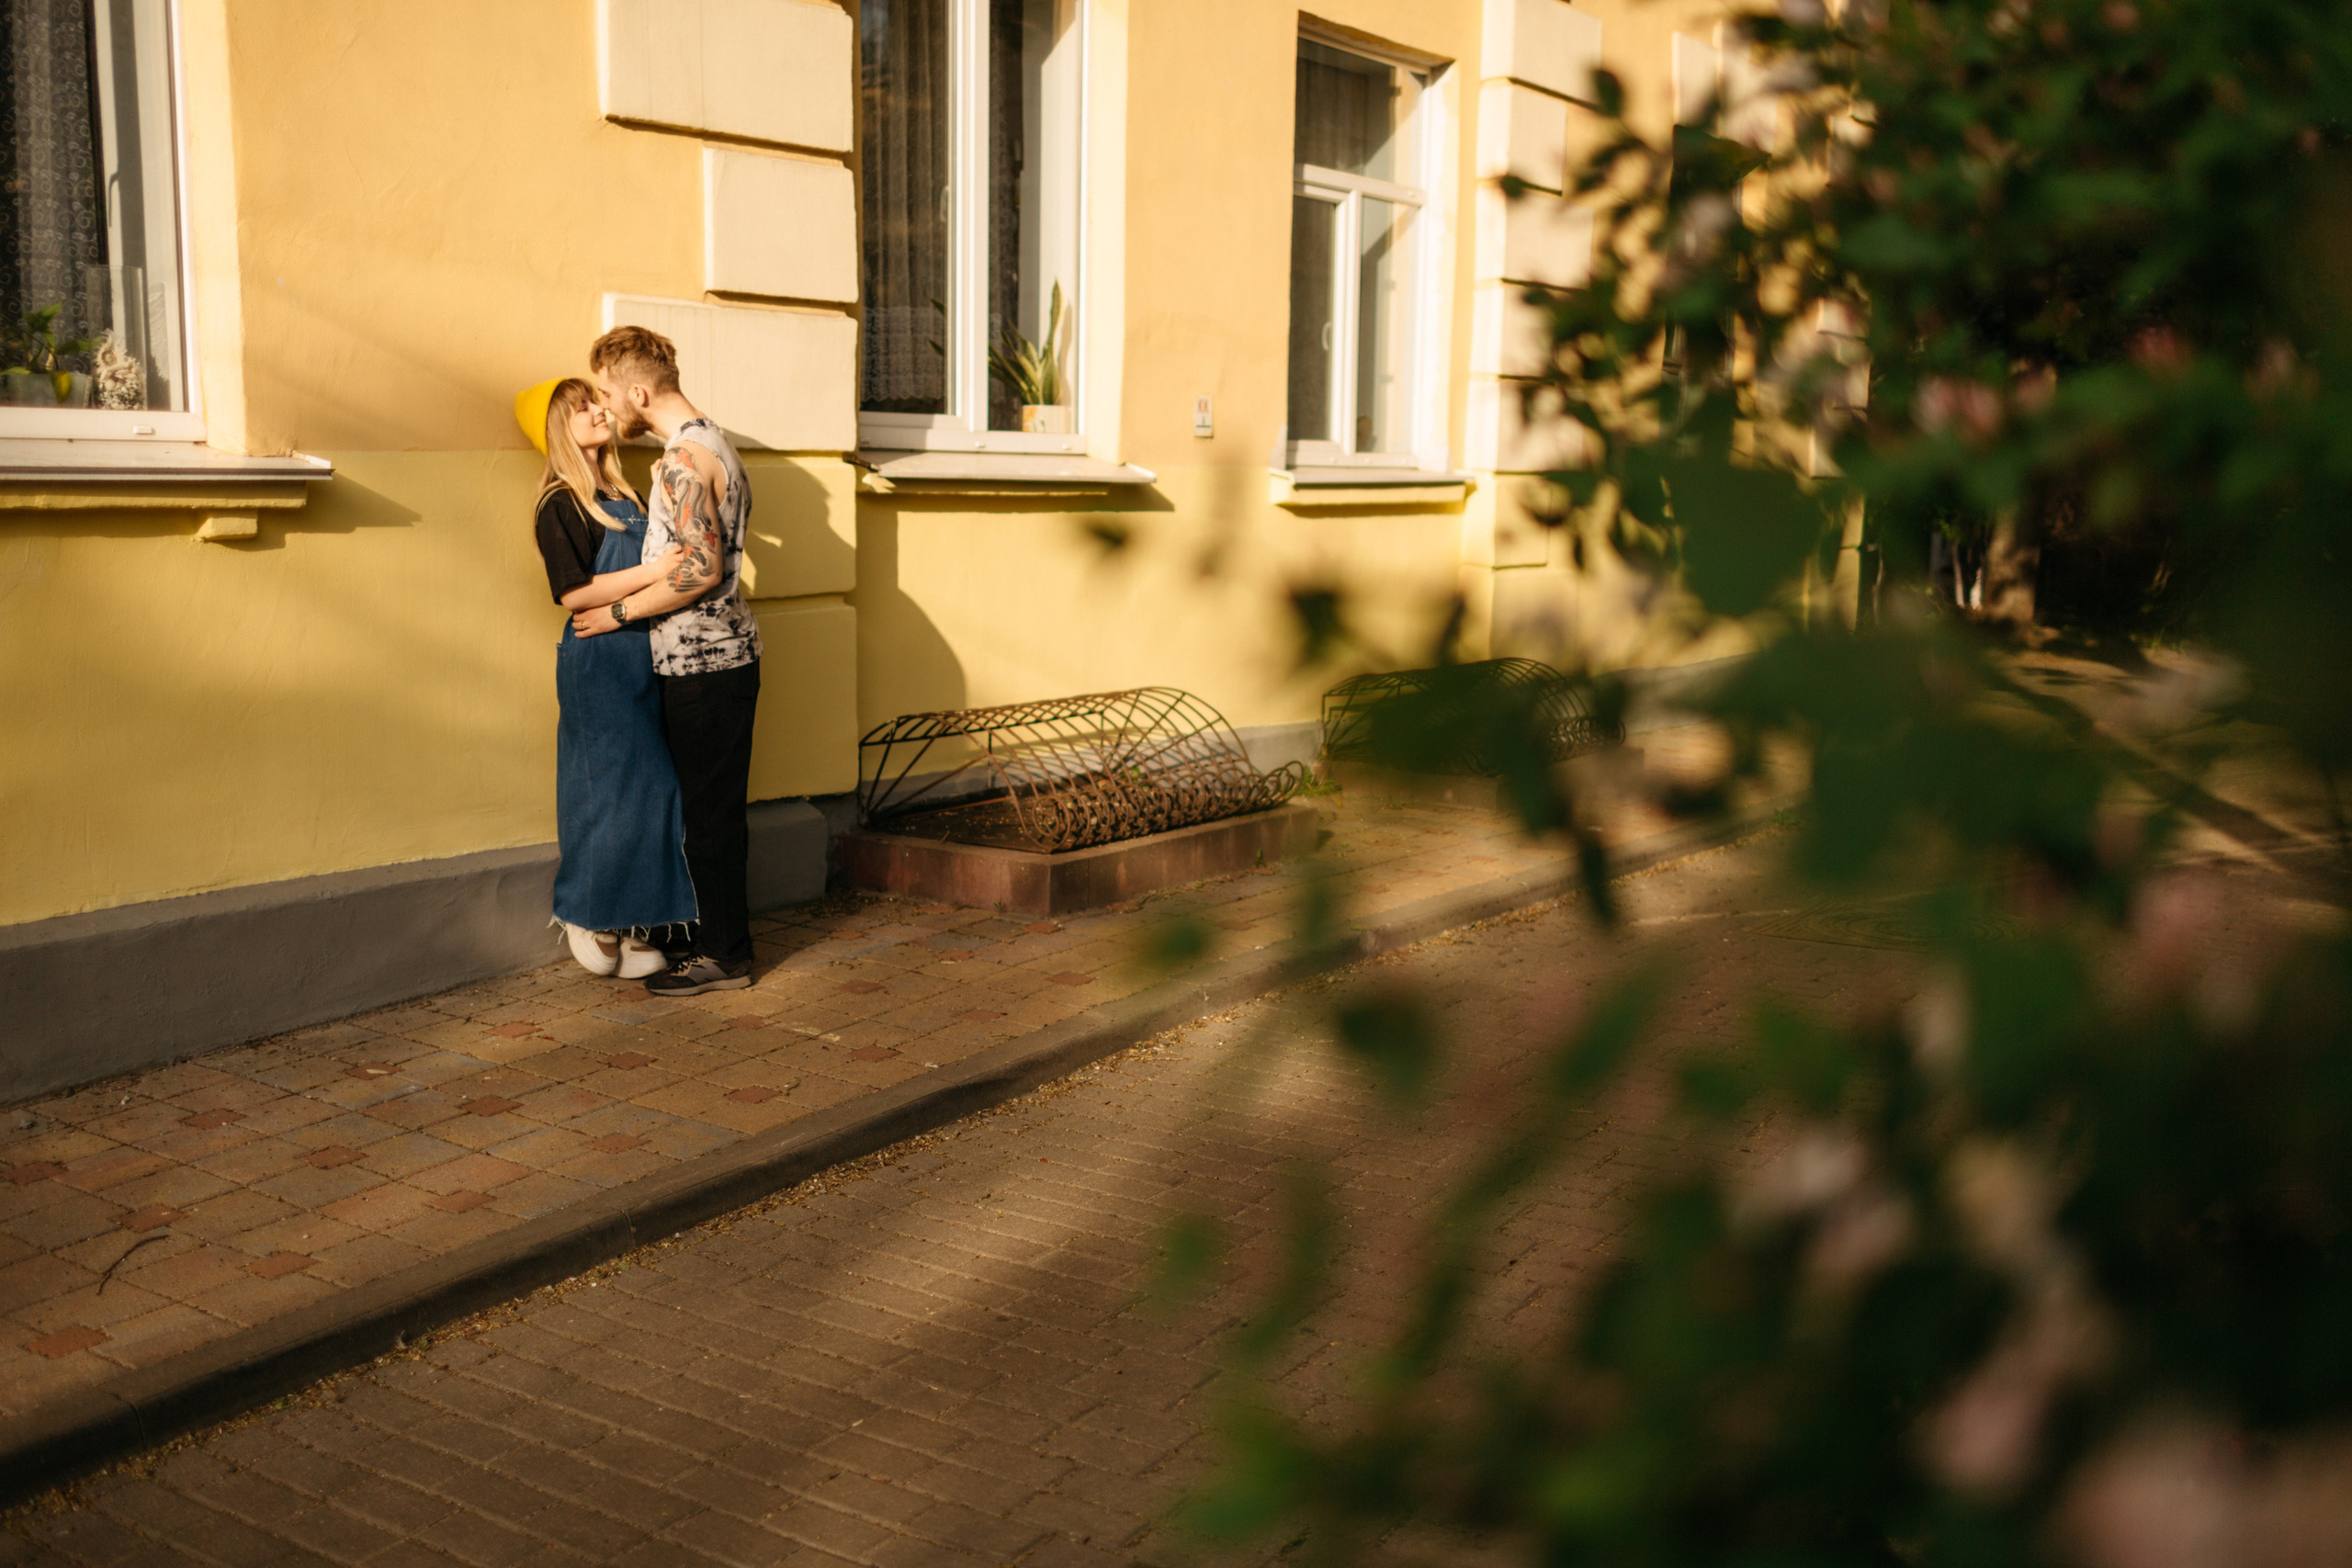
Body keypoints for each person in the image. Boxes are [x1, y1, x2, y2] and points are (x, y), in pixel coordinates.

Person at [571, 326, 762, 997]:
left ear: (639, 391)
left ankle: (726, 956)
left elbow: (702, 569)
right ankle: (716, 941)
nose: (605, 404)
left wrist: (618, 613)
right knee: (713, 808)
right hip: (722, 657)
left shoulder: (683, 461)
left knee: (709, 813)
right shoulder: (708, 443)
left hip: (704, 664)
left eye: (606, 391)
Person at [529, 378, 700, 977]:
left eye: (597, 401)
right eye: (582, 407)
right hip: (599, 659)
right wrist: (654, 571)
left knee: (652, 791)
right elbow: (575, 591)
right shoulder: (560, 502)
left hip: (643, 651)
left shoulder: (625, 491)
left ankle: (633, 925)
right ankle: (586, 910)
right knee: (603, 790)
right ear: (559, 427)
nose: (599, 410)